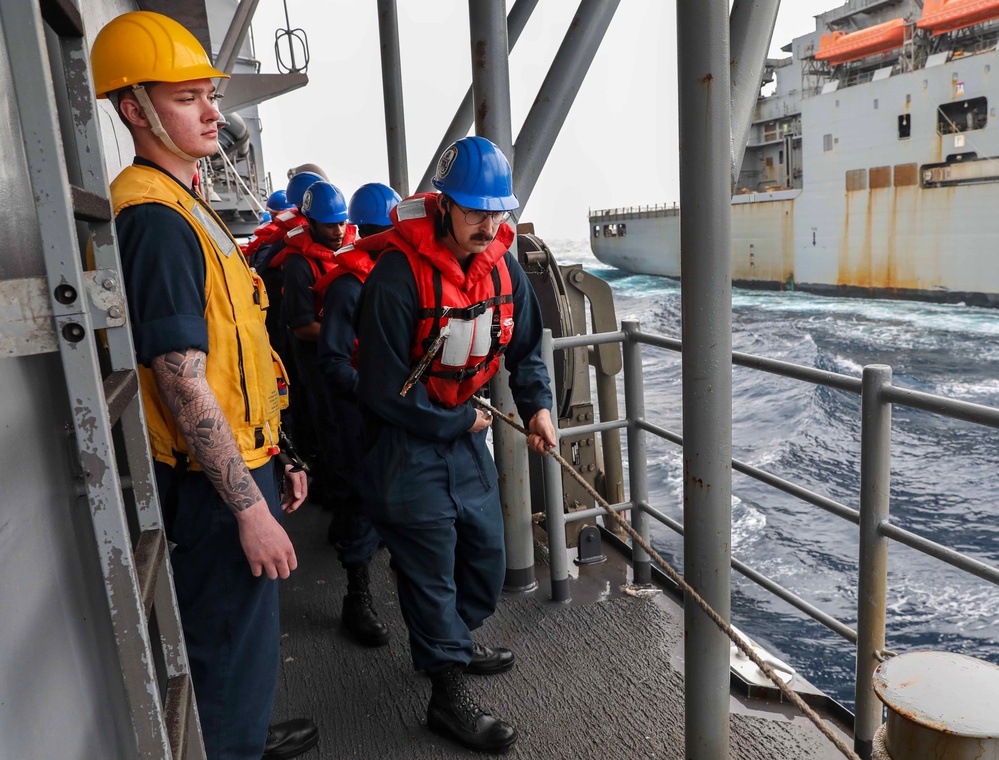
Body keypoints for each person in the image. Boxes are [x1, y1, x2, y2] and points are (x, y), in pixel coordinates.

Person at [91, 12, 317, 760]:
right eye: (187, 97)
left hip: (238, 468)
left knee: (241, 655)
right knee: (224, 664)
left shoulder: (185, 202)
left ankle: (243, 736)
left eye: (207, 95)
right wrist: (248, 507)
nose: (212, 110)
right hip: (214, 494)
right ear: (135, 109)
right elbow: (183, 383)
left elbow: (232, 357)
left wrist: (272, 451)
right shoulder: (155, 218)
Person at [353, 137, 556, 754]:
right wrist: (455, 424)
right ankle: (446, 693)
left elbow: (523, 349)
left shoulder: (503, 267)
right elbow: (381, 389)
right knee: (431, 567)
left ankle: (450, 638)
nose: (486, 224)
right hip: (408, 442)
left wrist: (539, 408)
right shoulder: (395, 278)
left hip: (465, 437)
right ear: (443, 205)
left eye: (496, 212)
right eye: (473, 211)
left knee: (485, 558)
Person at [314, 183, 401, 647]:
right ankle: (357, 597)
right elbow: (331, 362)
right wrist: (375, 394)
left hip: (396, 414)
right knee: (357, 501)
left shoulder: (397, 277)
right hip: (357, 415)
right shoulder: (350, 287)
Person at [276, 182, 357, 530]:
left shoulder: (349, 247)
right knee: (331, 436)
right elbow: (302, 327)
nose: (338, 231)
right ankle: (338, 511)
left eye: (342, 223)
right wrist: (353, 335)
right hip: (318, 367)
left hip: (346, 360)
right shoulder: (298, 266)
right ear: (310, 222)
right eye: (329, 225)